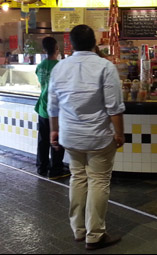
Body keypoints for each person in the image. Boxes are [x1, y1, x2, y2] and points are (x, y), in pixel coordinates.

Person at [48, 25, 125, 250]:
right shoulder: (105, 67)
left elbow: (53, 105)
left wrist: (54, 130)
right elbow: (114, 107)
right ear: (95, 42)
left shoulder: (60, 68)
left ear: (70, 44)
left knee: (78, 178)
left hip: (70, 136)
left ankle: (79, 230)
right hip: (98, 137)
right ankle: (95, 234)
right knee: (99, 181)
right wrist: (119, 133)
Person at [34, 37, 67, 180]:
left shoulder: (40, 66)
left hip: (42, 106)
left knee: (43, 140)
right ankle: (56, 169)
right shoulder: (60, 66)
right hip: (57, 109)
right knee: (56, 139)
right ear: (57, 48)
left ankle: (41, 167)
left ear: (44, 50)